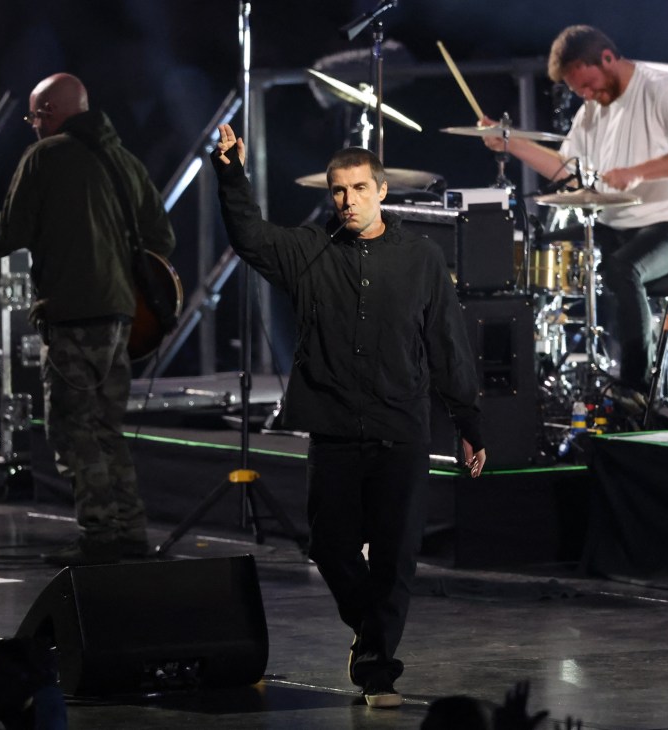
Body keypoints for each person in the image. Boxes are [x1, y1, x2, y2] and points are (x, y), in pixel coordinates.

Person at [212, 123, 486, 709]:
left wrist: (469, 422)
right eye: (339, 190)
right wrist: (232, 173)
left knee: (395, 559)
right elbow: (250, 237)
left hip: (400, 432)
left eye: (360, 188)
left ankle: (378, 671)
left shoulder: (421, 259)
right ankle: (372, 633)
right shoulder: (311, 252)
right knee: (330, 547)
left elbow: (447, 344)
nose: (349, 200)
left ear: (382, 191)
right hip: (335, 430)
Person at [0, 73, 176, 566]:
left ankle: (99, 535)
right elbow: (162, 237)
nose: (32, 126)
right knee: (107, 426)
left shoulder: (44, 157)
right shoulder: (124, 160)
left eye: (33, 117)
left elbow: (9, 234)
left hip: (71, 313)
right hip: (122, 316)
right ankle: (129, 530)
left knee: (73, 428)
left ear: (47, 112)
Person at [483, 25, 668, 393]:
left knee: (623, 268)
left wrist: (638, 173)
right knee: (537, 245)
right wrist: (510, 143)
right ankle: (528, 376)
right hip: (615, 223)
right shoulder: (591, 110)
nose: (587, 95)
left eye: (589, 85)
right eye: (579, 91)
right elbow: (569, 173)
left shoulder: (660, 88)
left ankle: (636, 389)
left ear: (607, 58)